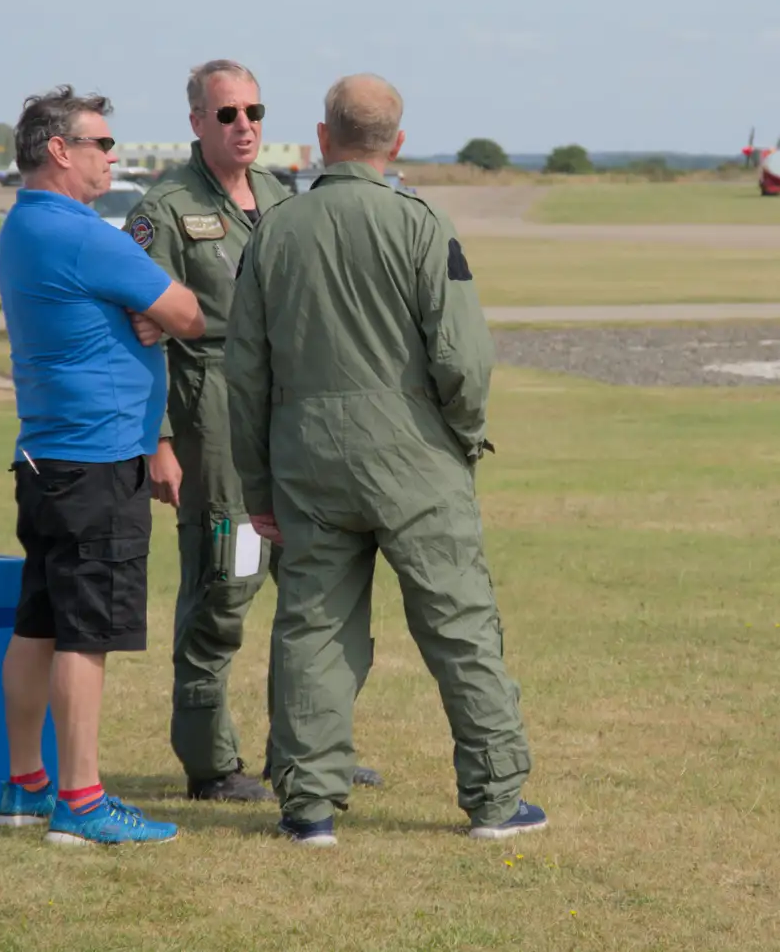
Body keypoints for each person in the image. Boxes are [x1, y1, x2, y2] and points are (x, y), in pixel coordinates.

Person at [223, 73, 547, 846]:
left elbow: (244, 373)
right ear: (395, 144)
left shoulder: (275, 229)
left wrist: (258, 483)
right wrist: (462, 435)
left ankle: (307, 805)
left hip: (305, 458)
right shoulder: (422, 224)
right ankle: (496, 797)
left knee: (313, 625)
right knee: (458, 622)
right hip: (413, 455)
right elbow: (463, 359)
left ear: (323, 136)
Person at [123, 59, 380, 802]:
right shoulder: (165, 210)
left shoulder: (281, 195)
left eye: (255, 112)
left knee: (309, 584)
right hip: (214, 423)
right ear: (197, 122)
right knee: (225, 584)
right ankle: (211, 763)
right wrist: (161, 440)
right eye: (227, 114)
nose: (245, 127)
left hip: (289, 418)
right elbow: (142, 335)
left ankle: (305, 751)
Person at [0, 84, 206, 846]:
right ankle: (81, 804)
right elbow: (188, 312)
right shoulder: (85, 233)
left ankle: (26, 783)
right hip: (96, 461)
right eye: (102, 144)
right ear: (60, 150)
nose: (112, 157)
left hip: (46, 455)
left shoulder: (22, 225)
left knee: (39, 623)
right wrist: (146, 313)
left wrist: (132, 313)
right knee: (87, 634)